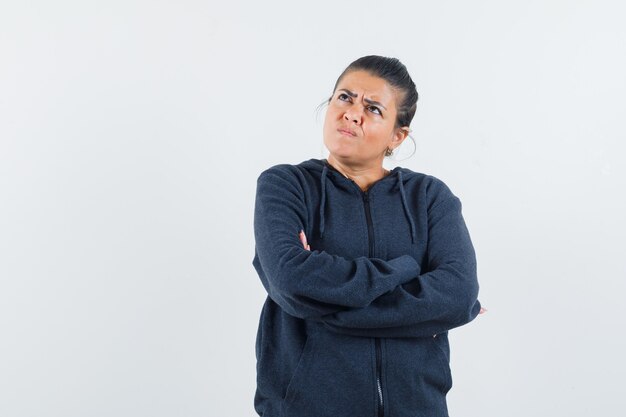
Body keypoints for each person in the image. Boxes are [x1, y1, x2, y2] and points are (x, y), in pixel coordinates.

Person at [252, 55, 485, 417]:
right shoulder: (285, 186)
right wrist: (405, 270)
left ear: (398, 135)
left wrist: (325, 306)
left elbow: (458, 293)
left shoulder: (429, 198)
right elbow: (290, 279)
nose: (352, 113)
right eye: (344, 97)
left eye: (373, 108)